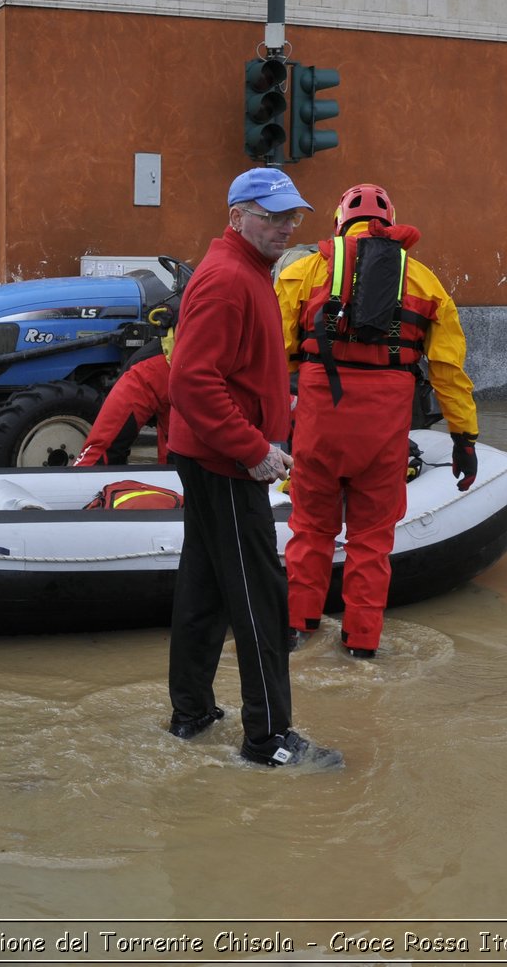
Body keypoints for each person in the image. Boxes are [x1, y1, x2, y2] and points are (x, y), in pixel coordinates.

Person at [164, 167, 342, 770]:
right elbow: (190, 379)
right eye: (271, 216)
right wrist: (253, 447)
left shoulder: (246, 272)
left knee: (205, 590)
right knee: (261, 596)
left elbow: (229, 371)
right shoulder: (227, 279)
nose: (285, 226)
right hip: (226, 464)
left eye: (291, 216)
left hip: (213, 456)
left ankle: (190, 715)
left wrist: (274, 413)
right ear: (237, 215)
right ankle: (268, 739)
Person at [277, 183, 479, 658]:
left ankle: (298, 629)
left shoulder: (304, 273)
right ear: (390, 223)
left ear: (338, 221)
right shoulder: (427, 283)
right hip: (384, 431)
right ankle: (362, 644)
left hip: (320, 423)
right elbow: (448, 372)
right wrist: (464, 438)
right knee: (371, 541)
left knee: (310, 529)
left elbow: (276, 352)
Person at [72, 335, 172, 467]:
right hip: (181, 475)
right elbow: (100, 453)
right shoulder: (152, 367)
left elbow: (99, 454)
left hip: (182, 476)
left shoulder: (152, 366)